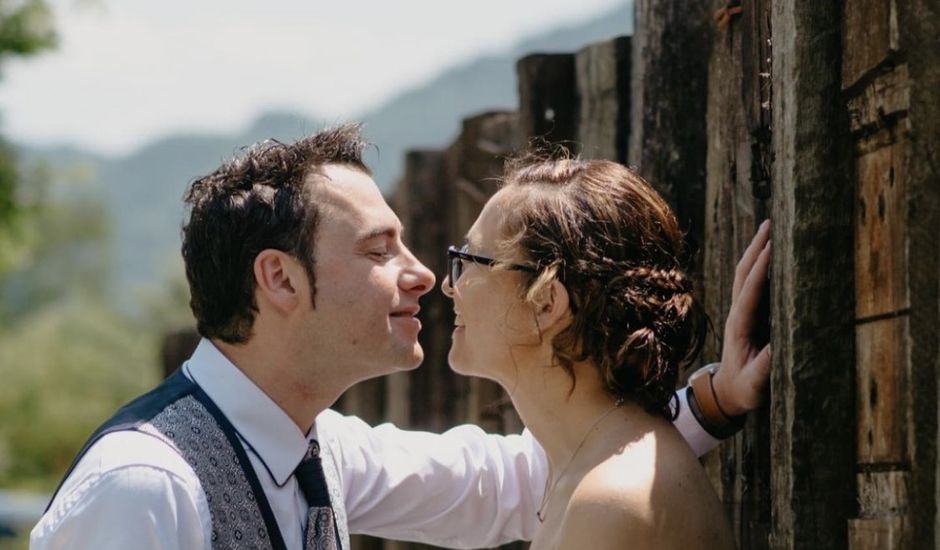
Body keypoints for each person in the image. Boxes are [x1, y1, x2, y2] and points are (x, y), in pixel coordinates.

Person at [31, 126, 769, 549]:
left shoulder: (317, 452)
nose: (424, 276)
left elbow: (528, 478)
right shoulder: (144, 488)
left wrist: (713, 402)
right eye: (380, 250)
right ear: (281, 281)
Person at [442, 154, 771, 549]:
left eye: (470, 259)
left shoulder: (609, 501)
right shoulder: (591, 470)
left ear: (547, 302)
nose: (450, 285)